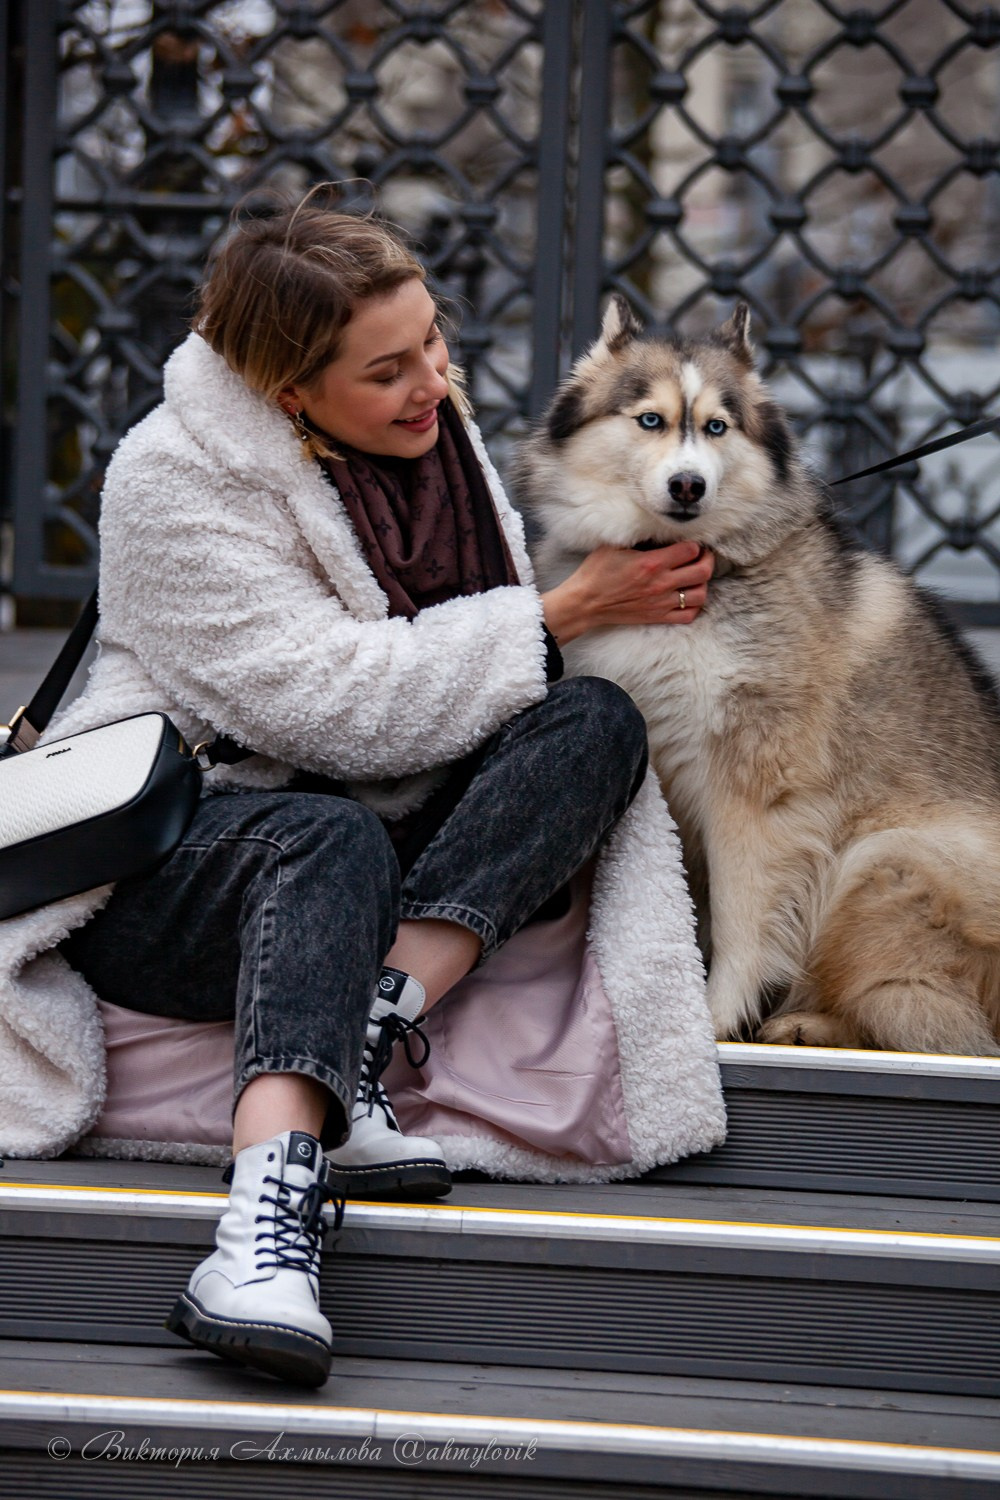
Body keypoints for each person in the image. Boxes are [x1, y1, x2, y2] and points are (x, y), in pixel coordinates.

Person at [30, 190, 716, 1388]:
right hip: (179, 864)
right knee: (327, 833)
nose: (433, 383)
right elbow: (332, 709)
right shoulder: (172, 477)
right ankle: (260, 1234)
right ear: (287, 390)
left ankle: (367, 1019)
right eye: (387, 369)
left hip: (371, 823)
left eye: (434, 344)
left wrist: (579, 619)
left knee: (594, 722)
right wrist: (561, 611)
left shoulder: (427, 444)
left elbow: (484, 686)